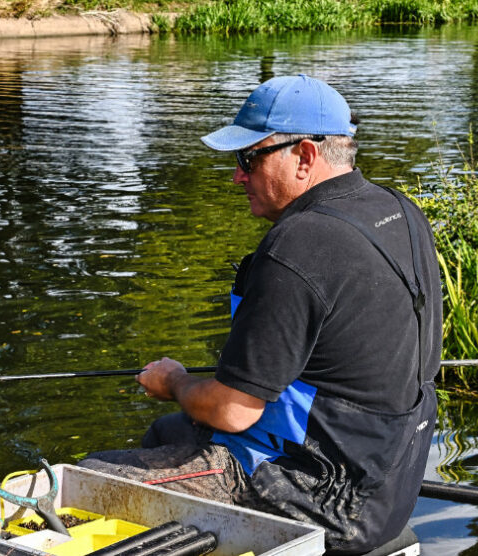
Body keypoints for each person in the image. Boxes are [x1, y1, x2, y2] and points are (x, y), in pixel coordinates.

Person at [79, 75, 442, 555]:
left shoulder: (300, 243)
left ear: (306, 156)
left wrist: (174, 381)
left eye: (249, 159)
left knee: (89, 479)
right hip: (391, 479)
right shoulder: (399, 210)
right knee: (169, 431)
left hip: (317, 495)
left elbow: (232, 410)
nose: (237, 176)